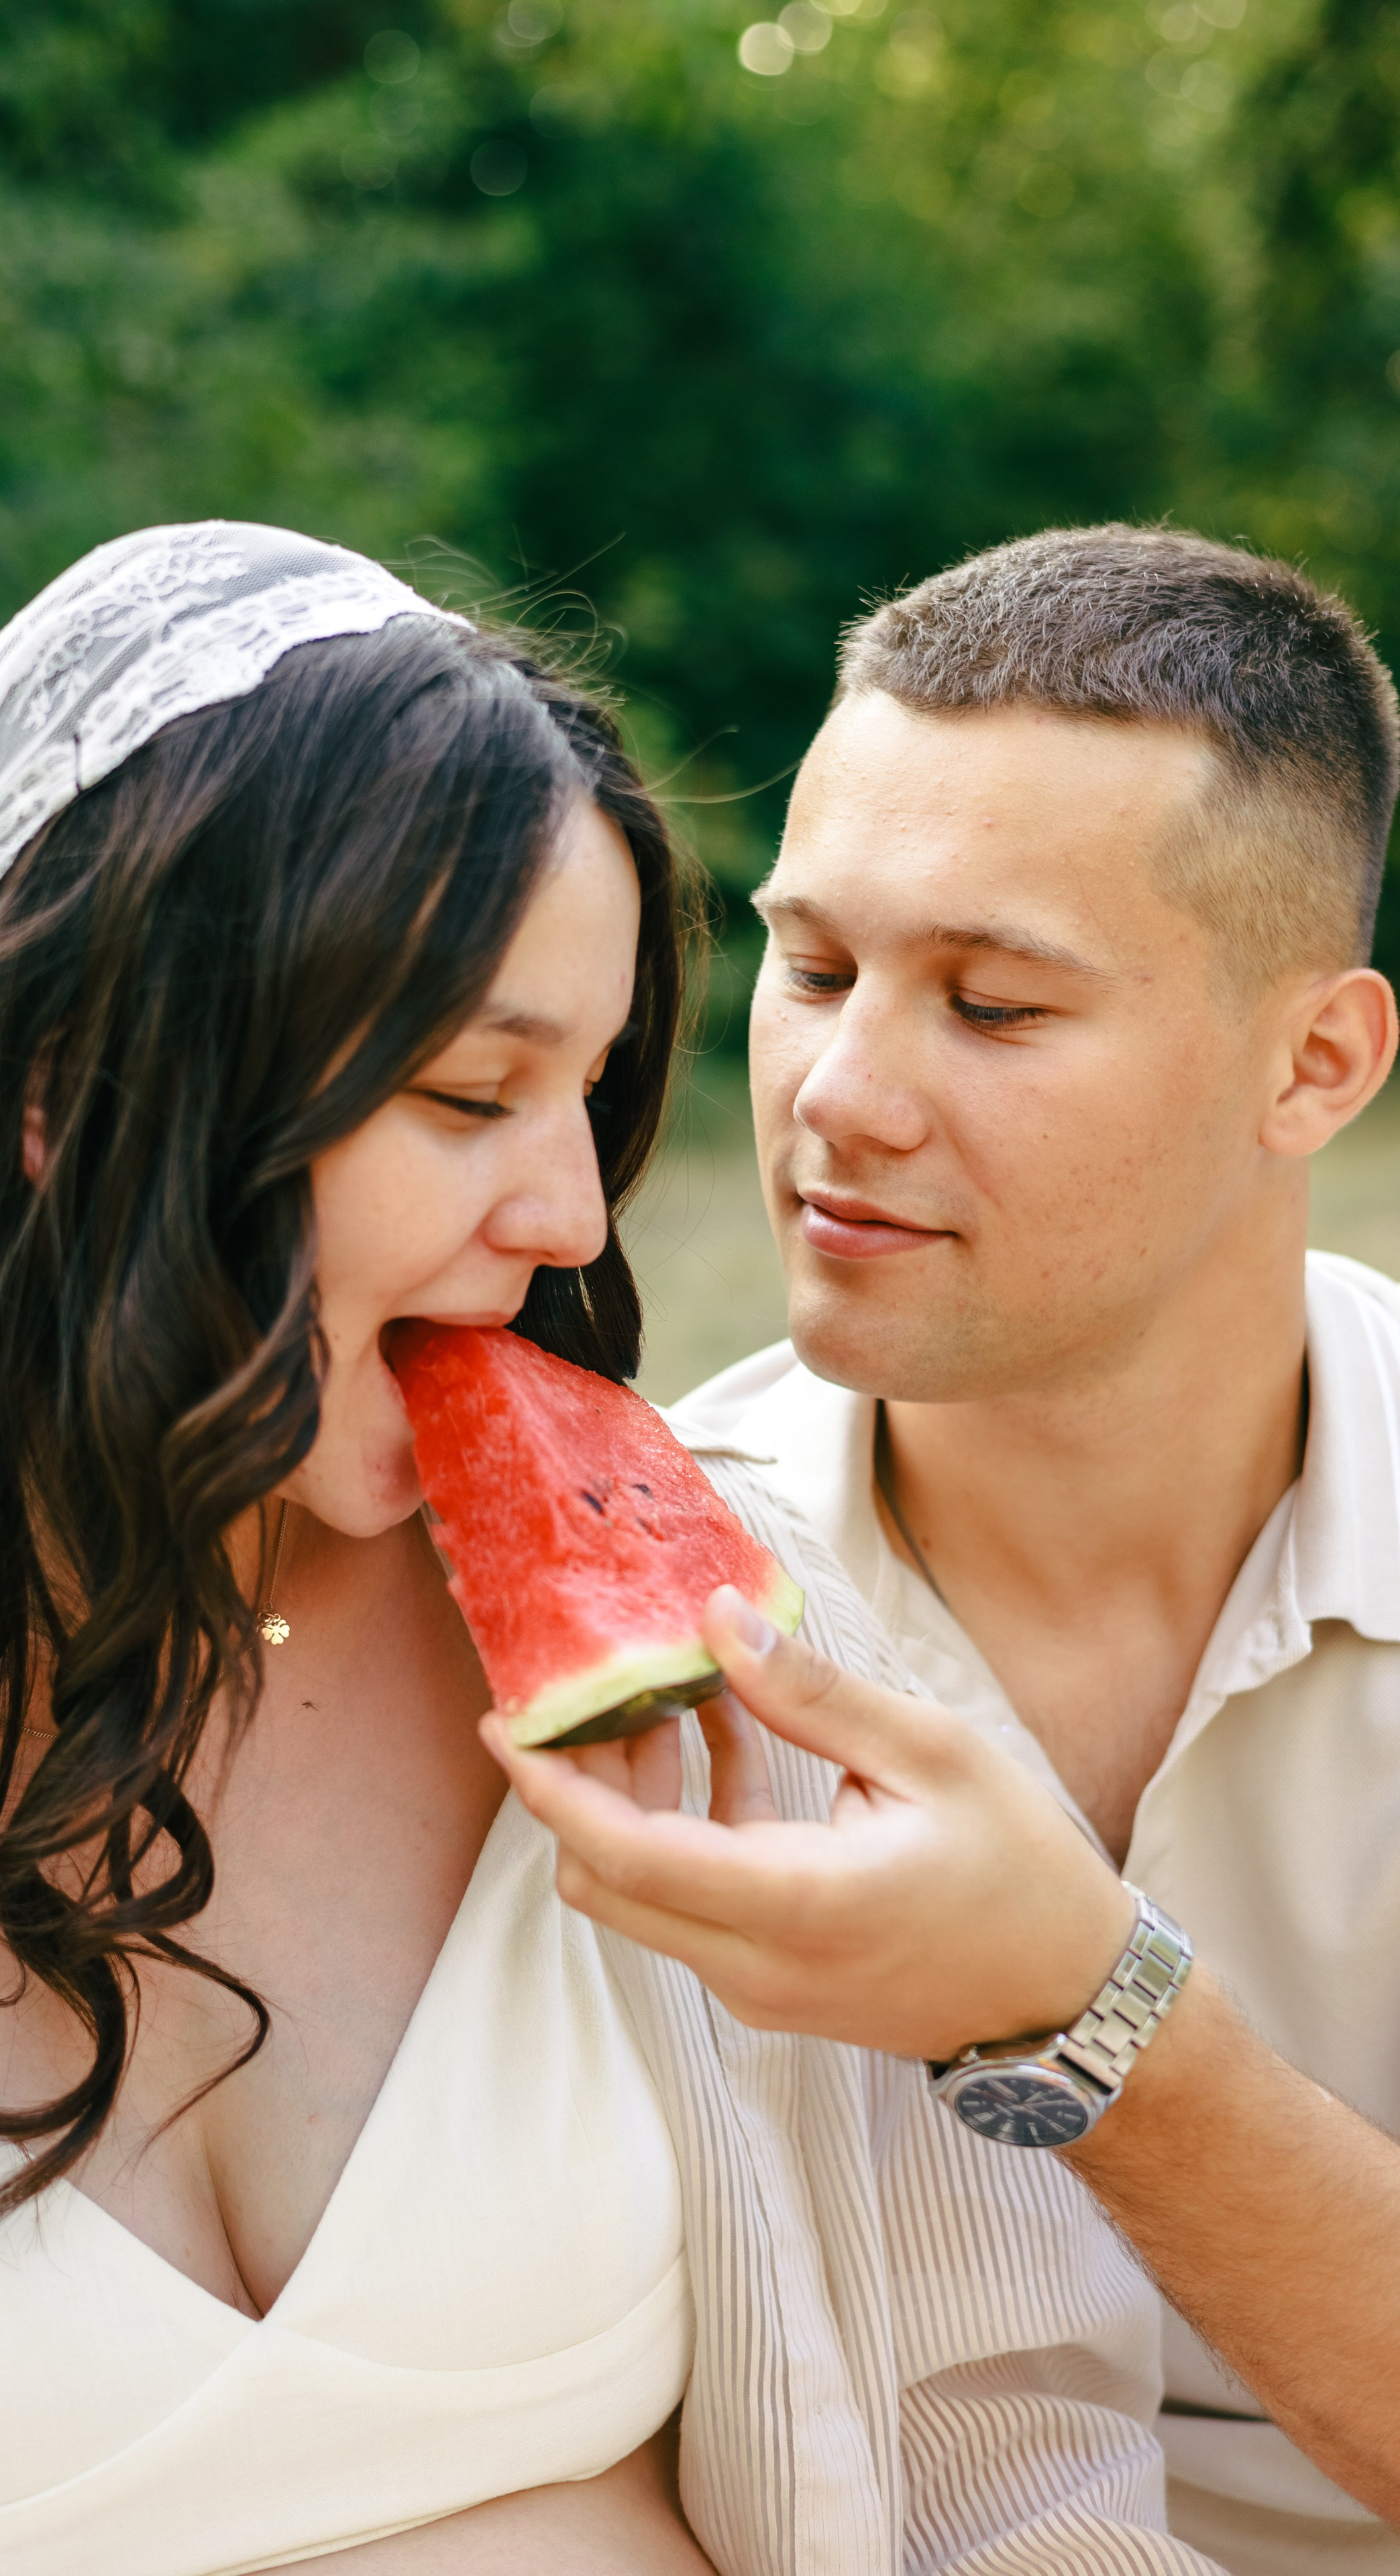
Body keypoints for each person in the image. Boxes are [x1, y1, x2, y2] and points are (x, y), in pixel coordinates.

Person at [0, 520, 1217, 2576]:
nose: (576, 1217)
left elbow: (1008, 2467)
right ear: (67, 1091)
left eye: (587, 1092)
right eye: (473, 1093)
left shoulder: (727, 1613)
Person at [488, 525, 1400, 2576]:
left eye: (992, 1007)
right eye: (810, 970)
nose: (841, 1097)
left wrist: (1090, 2021)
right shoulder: (659, 1577)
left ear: (1315, 1063)